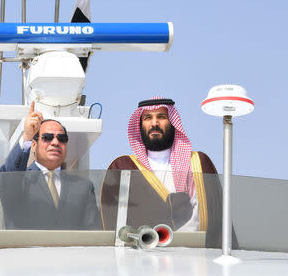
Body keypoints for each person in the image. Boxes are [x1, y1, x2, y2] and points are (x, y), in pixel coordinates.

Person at [101, 97, 235, 248]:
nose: (154, 123)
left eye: (162, 117)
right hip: (143, 260)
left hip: (197, 258)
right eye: (147, 118)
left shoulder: (199, 162)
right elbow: (111, 224)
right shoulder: (124, 166)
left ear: (173, 122)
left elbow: (220, 217)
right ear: (140, 125)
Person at [0, 101, 101, 230]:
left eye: (61, 138)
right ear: (33, 146)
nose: (55, 142)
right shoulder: (20, 180)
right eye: (47, 137)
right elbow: (7, 180)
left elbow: (93, 233)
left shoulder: (83, 187)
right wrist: (27, 137)